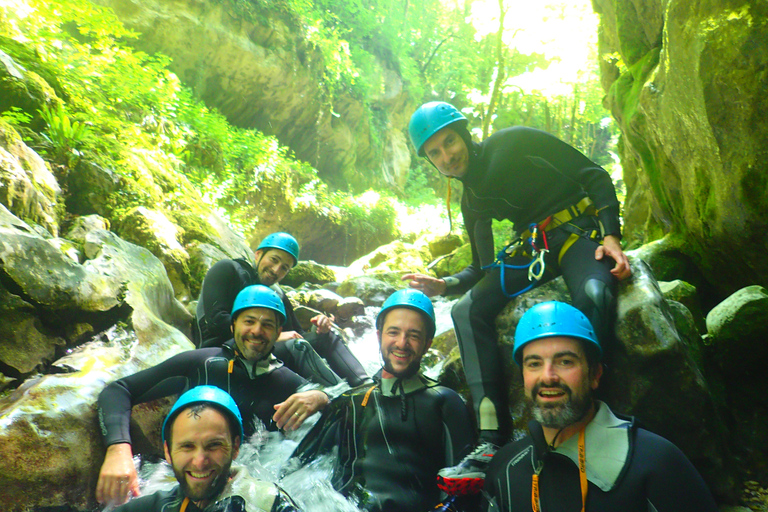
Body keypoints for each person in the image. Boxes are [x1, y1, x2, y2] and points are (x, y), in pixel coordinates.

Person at [402, 101, 632, 492]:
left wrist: (611, 235)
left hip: (576, 232)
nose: (447, 156)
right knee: (465, 311)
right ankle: (491, 440)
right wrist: (445, 285)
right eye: (435, 152)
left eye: (450, 141)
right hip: (535, 248)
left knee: (596, 293)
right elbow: (480, 268)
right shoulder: (472, 201)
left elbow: (592, 173)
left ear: (465, 134)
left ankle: (592, 419)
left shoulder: (514, 142)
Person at [97, 285, 329, 506]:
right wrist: (118, 449)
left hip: (258, 489)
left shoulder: (288, 382)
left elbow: (340, 408)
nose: (257, 331)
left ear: (278, 332)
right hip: (185, 478)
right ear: (233, 325)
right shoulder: (201, 363)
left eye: (267, 325)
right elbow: (118, 390)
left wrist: (321, 397)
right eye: (249, 321)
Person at [482, 301, 718, 511]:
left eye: (565, 361)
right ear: (523, 376)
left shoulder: (657, 462)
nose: (548, 376)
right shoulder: (505, 468)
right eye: (534, 364)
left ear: (595, 374)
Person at [287, 289, 477, 512]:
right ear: (379, 336)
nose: (402, 343)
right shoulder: (351, 402)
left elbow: (464, 491)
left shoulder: (444, 402)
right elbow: (292, 471)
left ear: (427, 344)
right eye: (393, 332)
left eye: (414, 335)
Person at [196, 231, 369, 388]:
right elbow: (215, 321)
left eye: (284, 268)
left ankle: (365, 387)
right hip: (222, 351)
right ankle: (340, 397)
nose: (276, 270)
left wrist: (318, 329)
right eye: (274, 260)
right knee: (298, 347)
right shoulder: (228, 269)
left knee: (326, 338)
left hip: (264, 351)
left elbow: (297, 334)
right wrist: (273, 335)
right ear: (258, 254)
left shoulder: (277, 295)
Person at [114, 385, 299, 512]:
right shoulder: (154, 506)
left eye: (214, 445)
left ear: (235, 447)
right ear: (168, 452)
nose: (200, 462)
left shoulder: (268, 503)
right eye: (187, 446)